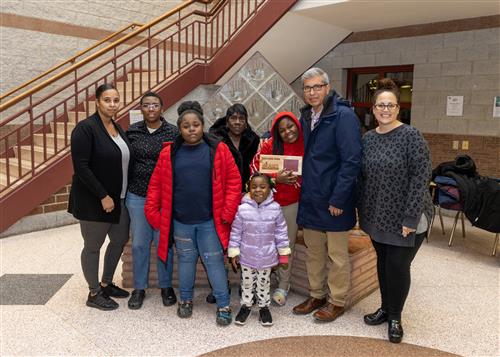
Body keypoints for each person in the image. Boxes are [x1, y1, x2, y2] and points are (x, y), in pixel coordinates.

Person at [144, 101, 241, 326]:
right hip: (181, 222)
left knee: (214, 262)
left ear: (202, 125)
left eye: (195, 124)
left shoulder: (219, 149)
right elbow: (156, 186)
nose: (191, 129)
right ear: (180, 129)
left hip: (210, 222)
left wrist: (228, 211)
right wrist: (155, 215)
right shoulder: (169, 153)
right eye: (186, 126)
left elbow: (235, 182)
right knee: (186, 262)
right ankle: (185, 300)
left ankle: (224, 304)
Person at [358, 78, 433, 343]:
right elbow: (364, 179)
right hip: (379, 217)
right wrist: (363, 215)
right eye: (381, 105)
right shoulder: (368, 139)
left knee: (398, 266)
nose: (385, 109)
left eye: (390, 105)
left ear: (398, 109)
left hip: (407, 217)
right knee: (383, 263)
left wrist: (410, 218)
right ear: (374, 109)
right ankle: (385, 308)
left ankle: (395, 318)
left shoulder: (411, 136)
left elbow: (420, 178)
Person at [293, 67, 362, 322]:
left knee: (337, 255)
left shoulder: (343, 116)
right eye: (308, 88)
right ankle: (317, 295)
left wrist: (339, 198)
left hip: (333, 199)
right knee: (314, 252)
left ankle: (337, 301)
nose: (312, 92)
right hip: (311, 197)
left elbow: (352, 161)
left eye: (317, 87)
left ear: (327, 87)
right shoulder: (306, 116)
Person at [68, 83, 132, 310]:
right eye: (107, 100)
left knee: (118, 240)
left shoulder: (116, 127)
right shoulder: (85, 129)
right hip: (95, 201)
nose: (112, 104)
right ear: (97, 101)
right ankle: (94, 292)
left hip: (120, 198)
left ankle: (106, 283)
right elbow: (82, 167)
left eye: (116, 100)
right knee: (93, 246)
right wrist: (103, 195)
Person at [125, 91, 179, 310]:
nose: (150, 109)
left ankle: (166, 286)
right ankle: (139, 288)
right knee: (139, 244)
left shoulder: (173, 132)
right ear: (141, 109)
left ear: (162, 108)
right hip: (138, 195)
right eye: (146, 105)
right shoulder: (132, 132)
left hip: (164, 197)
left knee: (163, 243)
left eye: (155, 105)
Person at [249, 112, 304, 306]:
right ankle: (260, 282)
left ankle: (283, 284)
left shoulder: (306, 144)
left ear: (298, 125)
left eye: (290, 127)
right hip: (267, 204)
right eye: (282, 130)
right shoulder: (268, 145)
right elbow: (254, 170)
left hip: (292, 205)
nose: (287, 132)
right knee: (263, 243)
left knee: (285, 245)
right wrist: (275, 179)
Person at [228, 173, 290, 326]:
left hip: (266, 257)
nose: (258, 190)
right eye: (254, 187)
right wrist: (234, 252)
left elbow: (281, 232)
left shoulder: (275, 209)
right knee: (247, 284)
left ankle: (263, 307)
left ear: (270, 189)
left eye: (263, 187)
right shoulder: (243, 209)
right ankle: (246, 306)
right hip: (247, 256)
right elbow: (235, 232)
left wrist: (283, 254)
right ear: (249, 189)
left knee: (263, 283)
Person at [209, 103, 260, 189]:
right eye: (233, 118)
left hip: (248, 190)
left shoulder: (253, 140)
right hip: (223, 189)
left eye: (241, 119)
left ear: (246, 123)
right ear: (227, 122)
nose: (237, 122)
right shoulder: (217, 140)